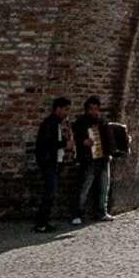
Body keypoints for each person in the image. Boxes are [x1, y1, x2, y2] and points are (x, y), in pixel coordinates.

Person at [71, 96, 114, 225]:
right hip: (88, 159)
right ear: (86, 109)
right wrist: (83, 141)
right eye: (91, 109)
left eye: (96, 109)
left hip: (103, 159)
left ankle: (102, 212)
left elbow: (110, 139)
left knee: (104, 187)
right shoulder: (80, 123)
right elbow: (77, 138)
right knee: (84, 187)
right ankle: (77, 213)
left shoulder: (103, 122)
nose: (94, 112)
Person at [33, 96, 71, 232]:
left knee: (50, 193)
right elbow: (48, 144)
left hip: (54, 162)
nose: (67, 113)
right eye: (66, 109)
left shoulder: (56, 123)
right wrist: (65, 143)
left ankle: (43, 221)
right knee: (50, 193)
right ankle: (41, 223)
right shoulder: (50, 123)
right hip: (49, 163)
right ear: (58, 109)